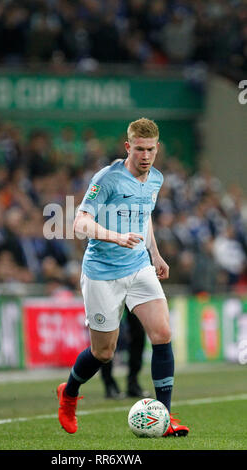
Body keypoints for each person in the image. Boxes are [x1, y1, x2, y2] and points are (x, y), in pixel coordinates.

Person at [57, 118, 189, 437]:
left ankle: (166, 416)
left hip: (139, 266)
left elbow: (144, 219)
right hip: (103, 272)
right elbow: (79, 222)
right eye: (140, 149)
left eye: (151, 150)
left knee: (162, 334)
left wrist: (155, 254)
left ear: (157, 149)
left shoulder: (155, 179)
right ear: (128, 147)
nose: (145, 156)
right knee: (104, 352)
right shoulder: (109, 179)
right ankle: (69, 392)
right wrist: (114, 236)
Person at [100, 305, 151, 399]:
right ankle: (109, 384)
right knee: (107, 332)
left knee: (139, 330)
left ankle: (133, 382)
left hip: (131, 291)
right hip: (108, 291)